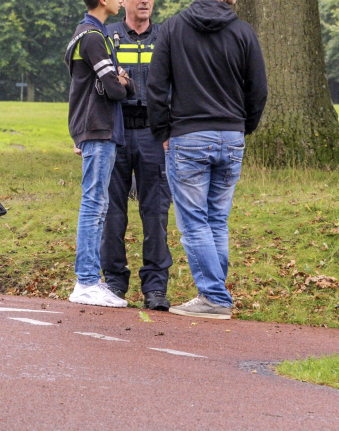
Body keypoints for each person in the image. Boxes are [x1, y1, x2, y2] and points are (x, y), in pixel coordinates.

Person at [147, 0, 267, 319]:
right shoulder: (243, 32)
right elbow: (258, 89)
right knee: (217, 219)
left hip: (188, 135)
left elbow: (156, 85)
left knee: (194, 221)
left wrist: (162, 131)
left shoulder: (173, 28)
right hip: (231, 135)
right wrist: (243, 126)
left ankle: (214, 296)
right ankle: (214, 294)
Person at [102, 0, 172, 312]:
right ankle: (114, 283)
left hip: (154, 135)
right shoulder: (107, 36)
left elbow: (178, 84)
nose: (144, 1)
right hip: (115, 132)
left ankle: (155, 287)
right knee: (112, 213)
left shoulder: (166, 36)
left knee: (156, 213)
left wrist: (172, 131)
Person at [65, 0, 136, 308]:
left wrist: (122, 82)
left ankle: (90, 280)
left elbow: (116, 85)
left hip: (96, 127)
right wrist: (123, 80)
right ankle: (86, 281)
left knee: (97, 203)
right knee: (94, 204)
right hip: (99, 127)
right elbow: (116, 89)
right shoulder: (93, 37)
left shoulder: (90, 34)